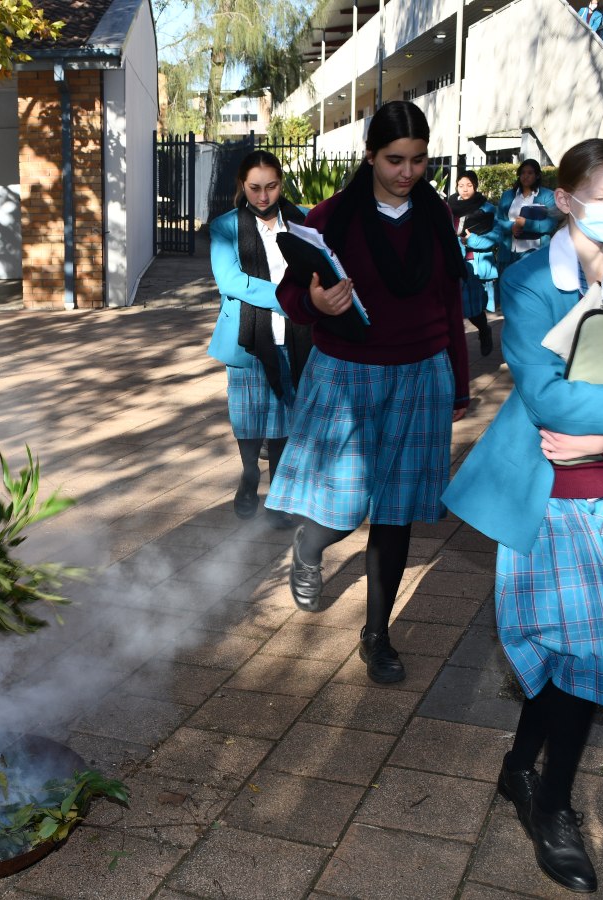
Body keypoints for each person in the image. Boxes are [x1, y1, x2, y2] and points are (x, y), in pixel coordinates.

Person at [444, 139, 603, 894]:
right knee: (574, 655)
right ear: (565, 198)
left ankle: (533, 783)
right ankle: (539, 793)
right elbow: (546, 396)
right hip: (547, 498)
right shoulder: (528, 283)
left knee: (579, 655)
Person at [265, 101, 469, 684]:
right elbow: (289, 294)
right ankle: (309, 546)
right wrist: (314, 305)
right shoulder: (332, 216)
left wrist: (458, 377)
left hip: (422, 373)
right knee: (345, 506)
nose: (408, 173)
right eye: (395, 160)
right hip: (347, 374)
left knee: (397, 514)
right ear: (371, 156)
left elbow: (449, 304)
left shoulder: (436, 216)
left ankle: (377, 635)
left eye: (419, 160)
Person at [207, 150, 310, 527]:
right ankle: (250, 474)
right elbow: (231, 281)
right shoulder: (225, 226)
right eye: (255, 188)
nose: (263, 196)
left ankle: (279, 497)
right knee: (249, 417)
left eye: (271, 187)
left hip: (296, 335)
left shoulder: (301, 221)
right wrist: (289, 298)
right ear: (242, 186)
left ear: (281, 183)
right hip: (248, 337)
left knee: (286, 415)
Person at [449, 171, 504, 354]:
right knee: (452, 307)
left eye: (469, 185)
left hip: (473, 263)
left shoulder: (487, 209)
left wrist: (471, 240)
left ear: (475, 186)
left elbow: (495, 237)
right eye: (461, 185)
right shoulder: (448, 207)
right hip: (452, 262)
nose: (464, 189)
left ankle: (483, 330)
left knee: (472, 306)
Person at [497, 160, 560, 274]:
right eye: (523, 173)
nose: (525, 176)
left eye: (530, 173)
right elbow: (498, 221)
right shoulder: (508, 195)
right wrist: (511, 227)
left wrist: (527, 224)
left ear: (537, 175)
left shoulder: (548, 196)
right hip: (508, 252)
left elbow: (551, 223)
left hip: (535, 252)